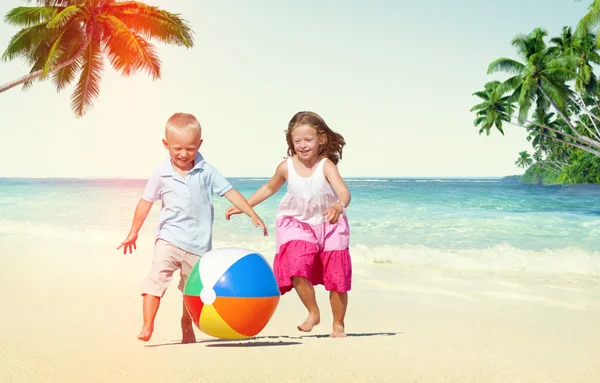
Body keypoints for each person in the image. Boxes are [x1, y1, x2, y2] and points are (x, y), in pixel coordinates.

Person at [117, 112, 268, 343]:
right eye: (177, 148)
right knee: (156, 279)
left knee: (193, 291)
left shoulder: (207, 171)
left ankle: (186, 323)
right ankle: (147, 325)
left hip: (198, 245)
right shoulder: (161, 172)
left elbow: (229, 191)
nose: (184, 154)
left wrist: (251, 212)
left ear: (199, 144)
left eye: (190, 148)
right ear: (165, 144)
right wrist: (133, 231)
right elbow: (146, 201)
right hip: (168, 239)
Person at [225, 111, 351, 338]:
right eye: (297, 141)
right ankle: (313, 312)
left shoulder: (326, 165)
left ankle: (338, 325)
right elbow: (269, 189)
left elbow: (343, 192)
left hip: (329, 221)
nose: (303, 145)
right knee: (295, 263)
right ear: (291, 142)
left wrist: (337, 207)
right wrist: (244, 206)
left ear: (321, 139)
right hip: (297, 222)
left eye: (308, 140)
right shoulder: (286, 167)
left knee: (337, 276)